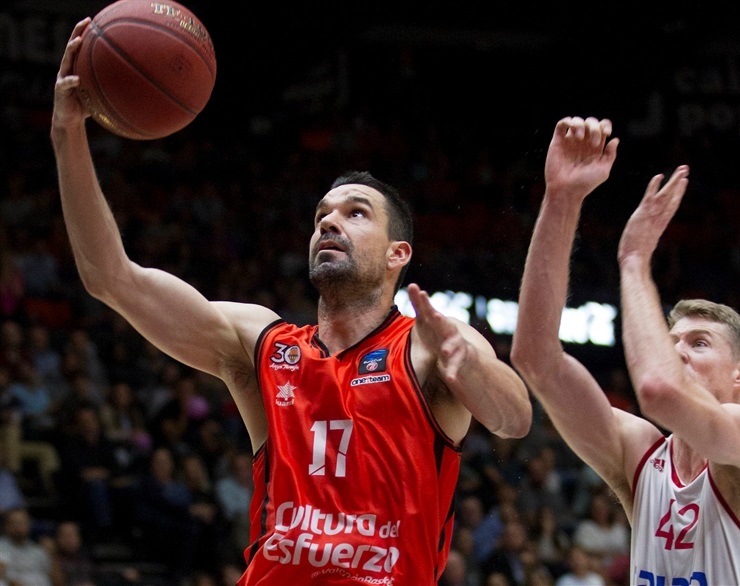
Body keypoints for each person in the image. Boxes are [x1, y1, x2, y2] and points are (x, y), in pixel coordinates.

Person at [51, 19, 532, 585]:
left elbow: (514, 419)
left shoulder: (430, 343)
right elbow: (110, 277)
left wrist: (468, 365)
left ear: (399, 253)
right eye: (321, 215)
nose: (329, 221)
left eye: (355, 213)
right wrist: (67, 136)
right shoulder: (261, 344)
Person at [510, 116, 740, 584]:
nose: (678, 352)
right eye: (669, 342)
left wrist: (633, 262)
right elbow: (535, 360)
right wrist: (562, 199)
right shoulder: (640, 454)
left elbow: (659, 388)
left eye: (699, 343)